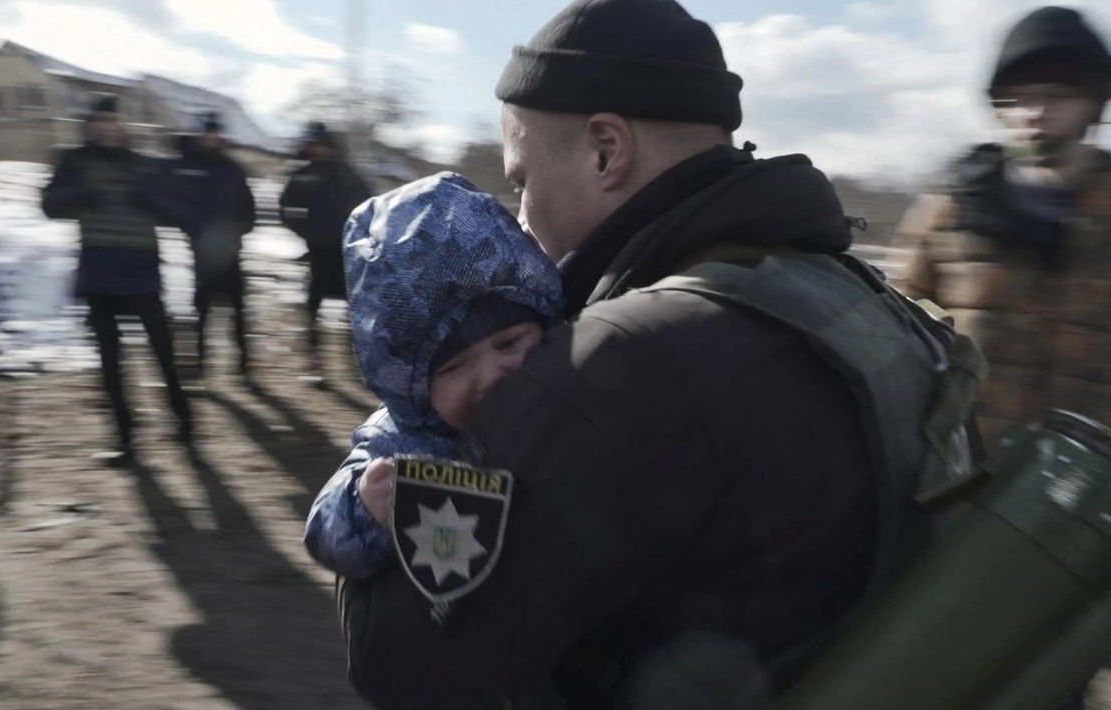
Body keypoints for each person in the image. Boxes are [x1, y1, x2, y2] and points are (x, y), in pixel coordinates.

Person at [333, 1, 974, 708]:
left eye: (521, 184)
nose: (520, 224)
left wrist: (398, 467)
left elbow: (402, 666)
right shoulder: (851, 297)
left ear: (607, 149)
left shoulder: (615, 363)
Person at [302, 172, 564, 581]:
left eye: (509, 343)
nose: (490, 375)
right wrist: (365, 508)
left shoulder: (565, 393)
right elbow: (322, 531)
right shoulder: (403, 442)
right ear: (410, 386)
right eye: (454, 367)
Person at [897, 5, 1111, 452]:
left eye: (1056, 96)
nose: (1034, 113)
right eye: (1018, 99)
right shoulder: (956, 206)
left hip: (1089, 486)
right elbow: (897, 320)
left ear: (1094, 102)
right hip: (966, 474)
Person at [41, 94, 193, 467]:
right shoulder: (75, 161)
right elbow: (49, 206)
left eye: (112, 121)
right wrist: (81, 193)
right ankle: (126, 441)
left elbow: (180, 213)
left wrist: (154, 202)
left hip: (142, 271)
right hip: (98, 272)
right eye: (99, 121)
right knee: (110, 363)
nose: (106, 127)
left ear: (124, 125)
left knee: (163, 353)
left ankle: (184, 424)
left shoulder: (145, 166)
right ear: (90, 125)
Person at [156, 112, 257, 377]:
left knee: (237, 310)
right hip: (200, 252)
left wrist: (239, 229)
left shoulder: (232, 168)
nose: (212, 136)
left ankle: (244, 365)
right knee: (201, 310)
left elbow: (249, 206)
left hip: (230, 251)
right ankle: (198, 363)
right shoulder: (184, 164)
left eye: (216, 132)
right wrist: (189, 224)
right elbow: (165, 197)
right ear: (200, 134)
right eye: (207, 132)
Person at [277, 121, 371, 369]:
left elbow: (369, 206)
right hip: (318, 253)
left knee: (352, 313)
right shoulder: (302, 173)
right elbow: (285, 209)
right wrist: (307, 231)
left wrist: (357, 236)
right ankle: (314, 362)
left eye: (323, 144)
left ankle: (352, 361)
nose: (319, 149)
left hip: (347, 254)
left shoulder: (346, 173)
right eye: (314, 144)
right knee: (312, 309)